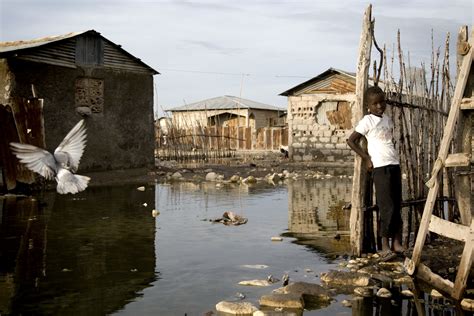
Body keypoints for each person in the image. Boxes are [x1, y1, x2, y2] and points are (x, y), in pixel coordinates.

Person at [346, 86, 404, 257]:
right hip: (380, 167)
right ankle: (384, 246)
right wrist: (366, 158)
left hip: (394, 164)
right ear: (368, 106)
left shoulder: (387, 119)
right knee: (387, 207)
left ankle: (397, 243)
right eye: (375, 103)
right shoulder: (367, 121)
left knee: (397, 205)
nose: (379, 106)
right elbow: (351, 141)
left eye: (382, 102)